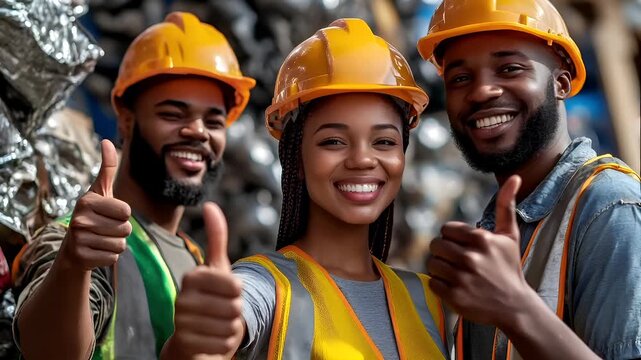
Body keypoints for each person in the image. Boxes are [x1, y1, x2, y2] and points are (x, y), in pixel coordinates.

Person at [161, 18, 449, 359]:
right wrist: (199, 335)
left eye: (384, 141)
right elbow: (228, 320)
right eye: (333, 141)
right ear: (295, 158)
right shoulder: (265, 287)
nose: (362, 159)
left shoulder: (428, 299)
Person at [12, 11, 255, 359]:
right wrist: (72, 265)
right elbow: (48, 352)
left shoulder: (197, 259)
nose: (198, 132)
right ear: (125, 118)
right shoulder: (79, 241)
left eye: (213, 121)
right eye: (173, 114)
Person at [416, 0, 641, 359]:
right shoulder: (498, 231)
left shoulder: (610, 207)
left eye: (509, 69)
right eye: (460, 78)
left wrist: (516, 308)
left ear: (561, 84)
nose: (481, 91)